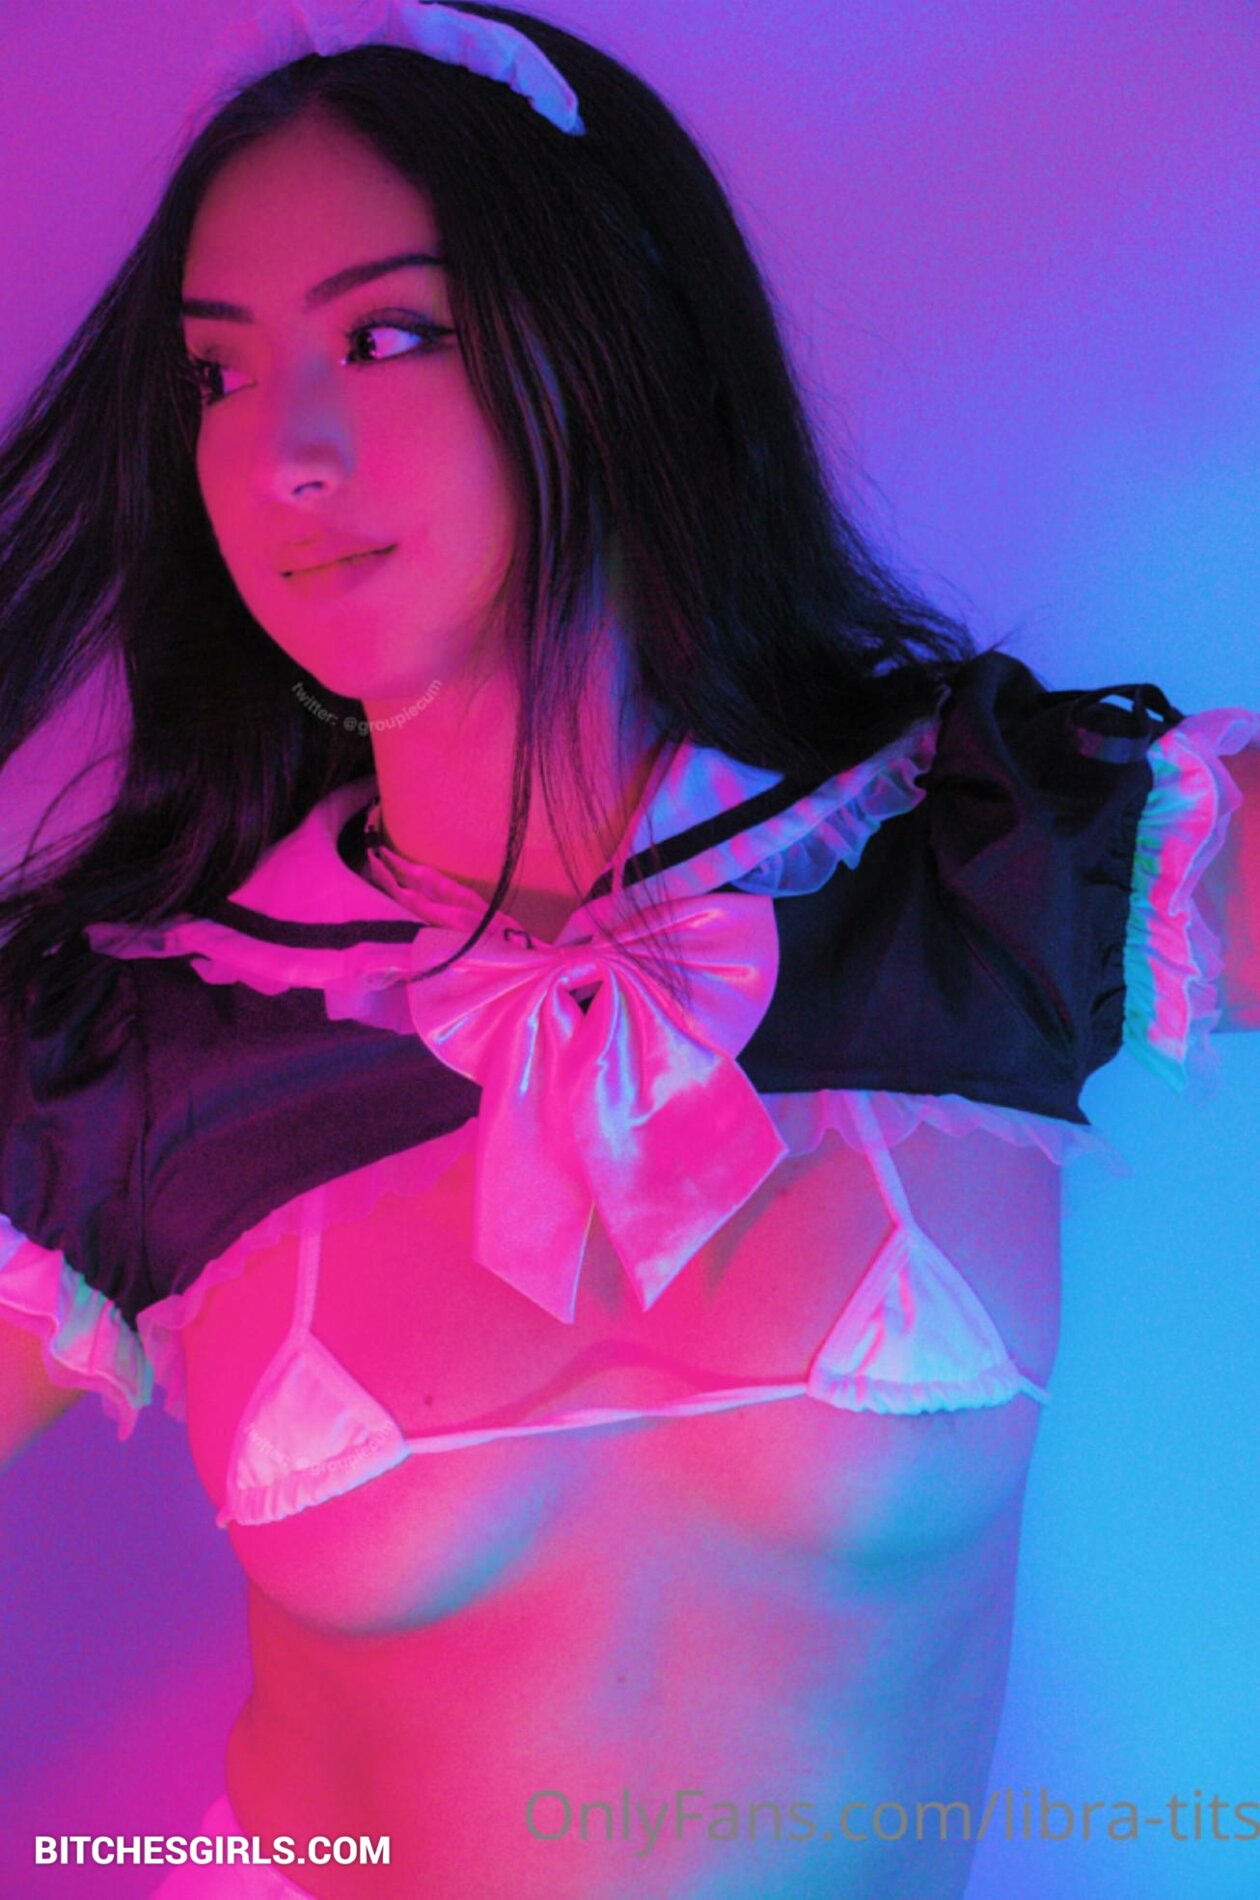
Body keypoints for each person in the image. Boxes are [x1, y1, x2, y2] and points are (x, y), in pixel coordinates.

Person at [0, 4, 1256, 1896]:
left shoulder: (985, 867)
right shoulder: (145, 1051)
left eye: (387, 335)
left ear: (609, 348)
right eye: (217, 377)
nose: (284, 453)